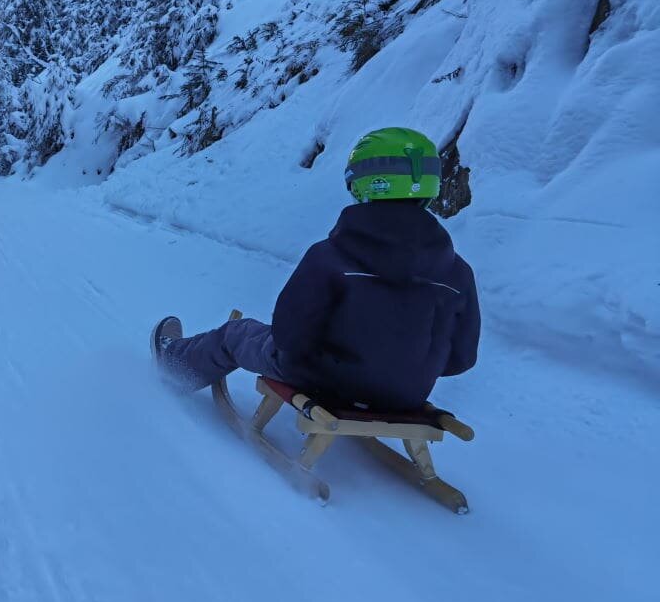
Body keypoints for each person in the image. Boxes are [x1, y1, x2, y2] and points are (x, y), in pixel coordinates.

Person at [151, 127, 480, 413]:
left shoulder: (332, 256)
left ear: (364, 182)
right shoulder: (458, 273)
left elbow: (288, 335)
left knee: (235, 333)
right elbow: (461, 360)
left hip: (323, 381)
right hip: (407, 393)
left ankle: (175, 365)